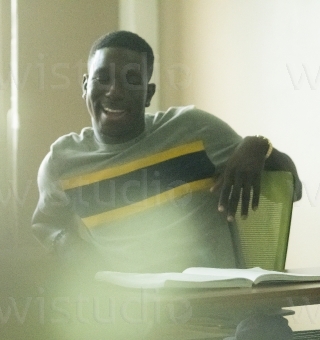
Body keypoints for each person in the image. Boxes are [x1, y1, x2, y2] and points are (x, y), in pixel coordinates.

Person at [32, 30, 302, 273]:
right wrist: (65, 243)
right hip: (132, 317)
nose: (114, 91)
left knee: (266, 329)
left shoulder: (194, 130)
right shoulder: (62, 162)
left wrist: (259, 146)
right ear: (85, 86)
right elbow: (44, 223)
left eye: (131, 80)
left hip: (222, 311)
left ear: (149, 94)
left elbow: (293, 187)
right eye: (102, 78)